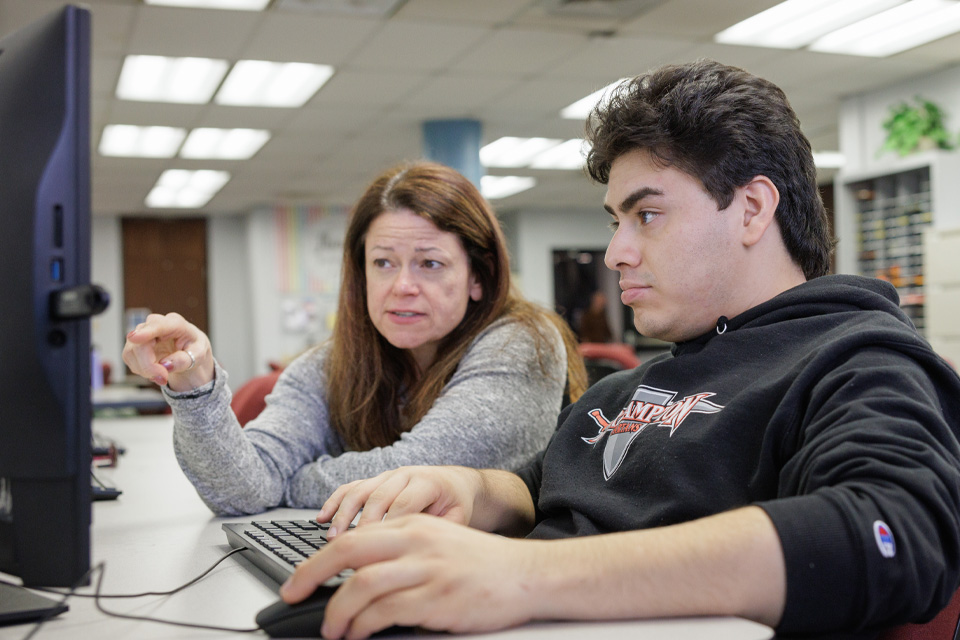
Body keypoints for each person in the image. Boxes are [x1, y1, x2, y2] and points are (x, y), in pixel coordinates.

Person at [280, 60, 960, 640]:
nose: (616, 252)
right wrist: (464, 489)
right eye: (617, 221)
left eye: (648, 215)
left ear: (753, 209)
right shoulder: (631, 387)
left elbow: (889, 536)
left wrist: (523, 575)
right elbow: (538, 487)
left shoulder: (858, 358)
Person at [122, 161, 587, 516]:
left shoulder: (524, 342)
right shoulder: (331, 363)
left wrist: (285, 484)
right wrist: (195, 387)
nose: (402, 285)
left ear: (478, 278)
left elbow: (423, 473)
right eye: (383, 262)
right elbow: (242, 488)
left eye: (430, 263)